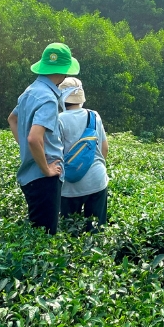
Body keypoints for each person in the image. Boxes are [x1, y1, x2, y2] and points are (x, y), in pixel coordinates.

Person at [8, 42, 80, 235]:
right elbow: (34, 138)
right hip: (43, 179)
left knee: (36, 232)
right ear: (64, 71)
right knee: (45, 237)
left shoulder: (30, 91)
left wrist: (27, 150)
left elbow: (12, 119)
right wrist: (46, 169)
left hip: (29, 175)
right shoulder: (48, 98)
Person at [57, 77, 109, 231]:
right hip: (97, 180)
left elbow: (55, 153)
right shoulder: (94, 116)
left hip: (70, 185)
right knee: (95, 232)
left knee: (70, 233)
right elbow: (104, 148)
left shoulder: (58, 120)